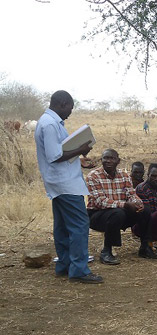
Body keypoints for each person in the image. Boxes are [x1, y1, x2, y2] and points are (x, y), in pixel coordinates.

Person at [34, 90, 103, 283]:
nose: (70, 112)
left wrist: (78, 156)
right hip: (65, 184)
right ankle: (79, 270)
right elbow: (54, 156)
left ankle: (65, 265)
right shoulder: (49, 124)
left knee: (63, 226)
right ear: (62, 104)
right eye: (70, 108)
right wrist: (81, 149)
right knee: (80, 225)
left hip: (60, 182)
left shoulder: (49, 122)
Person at [86, 149, 155, 265]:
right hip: (96, 215)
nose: (108, 161)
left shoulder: (124, 175)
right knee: (118, 213)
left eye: (112, 158)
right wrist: (125, 205)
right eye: (105, 158)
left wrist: (138, 203)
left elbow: (131, 194)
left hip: (119, 213)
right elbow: (99, 202)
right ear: (101, 160)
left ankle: (145, 247)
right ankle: (106, 251)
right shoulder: (93, 176)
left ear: (118, 161)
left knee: (145, 210)